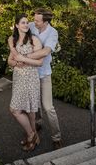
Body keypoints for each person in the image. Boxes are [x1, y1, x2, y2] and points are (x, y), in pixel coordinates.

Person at [9, 8, 62, 150]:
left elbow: (45, 52)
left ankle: (56, 137)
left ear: (45, 22)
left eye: (37, 20)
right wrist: (13, 51)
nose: (33, 22)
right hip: (28, 75)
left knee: (48, 107)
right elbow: (15, 36)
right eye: (34, 19)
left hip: (43, 74)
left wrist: (23, 58)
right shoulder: (31, 25)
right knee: (30, 106)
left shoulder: (52, 33)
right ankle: (34, 129)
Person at [7, 14, 44, 152]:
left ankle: (31, 135)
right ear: (16, 25)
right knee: (17, 109)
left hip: (30, 79)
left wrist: (24, 59)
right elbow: (10, 61)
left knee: (29, 110)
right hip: (18, 79)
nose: (26, 25)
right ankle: (33, 135)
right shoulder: (15, 41)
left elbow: (40, 62)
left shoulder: (34, 40)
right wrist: (16, 62)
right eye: (22, 22)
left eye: (27, 22)